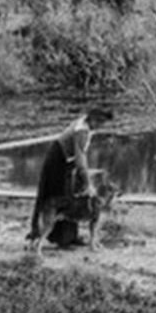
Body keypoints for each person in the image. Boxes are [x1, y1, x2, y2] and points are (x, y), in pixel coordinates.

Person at [27, 108, 112, 253]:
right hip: (57, 162)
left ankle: (69, 237)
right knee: (55, 198)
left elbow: (81, 156)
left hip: (67, 161)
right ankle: (41, 236)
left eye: (103, 123)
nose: (100, 126)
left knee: (73, 198)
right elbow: (80, 159)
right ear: (92, 119)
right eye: (99, 122)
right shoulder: (81, 131)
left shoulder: (86, 125)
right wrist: (87, 182)